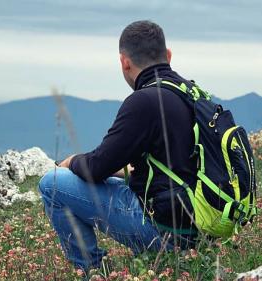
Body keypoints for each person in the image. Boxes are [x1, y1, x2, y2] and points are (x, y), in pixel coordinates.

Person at [38, 20, 199, 272]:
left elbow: (96, 167)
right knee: (116, 183)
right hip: (202, 228)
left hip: (165, 231)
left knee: (52, 184)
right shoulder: (192, 93)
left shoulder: (143, 101)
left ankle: (92, 271)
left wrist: (72, 162)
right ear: (168, 56)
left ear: (124, 61)